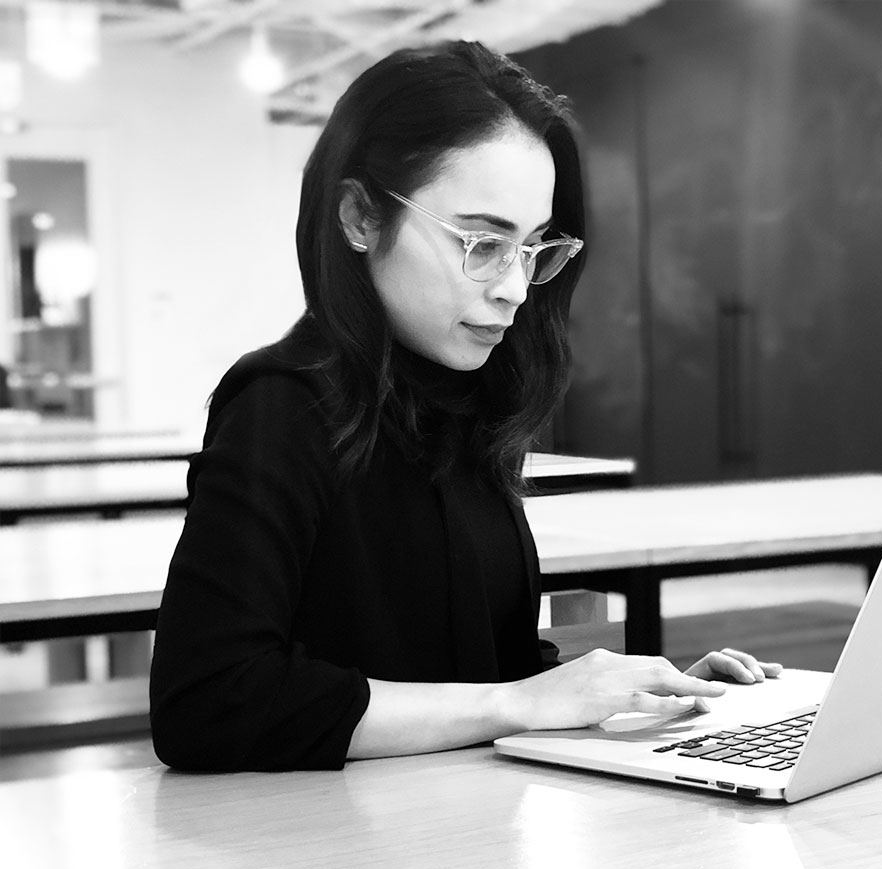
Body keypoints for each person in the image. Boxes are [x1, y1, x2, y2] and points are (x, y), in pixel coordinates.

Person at [149, 41, 780, 772]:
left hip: (464, 819)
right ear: (360, 216)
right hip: (342, 836)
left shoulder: (467, 406)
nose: (515, 288)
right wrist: (516, 703)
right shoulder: (281, 408)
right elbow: (207, 701)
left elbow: (482, 667)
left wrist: (635, 700)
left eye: (533, 248)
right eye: (482, 243)